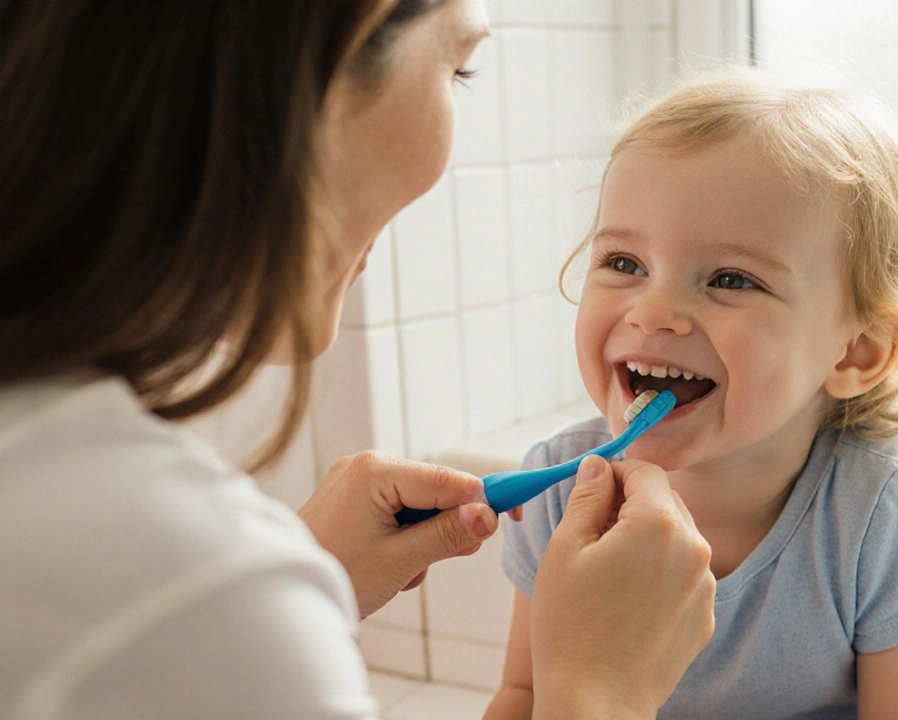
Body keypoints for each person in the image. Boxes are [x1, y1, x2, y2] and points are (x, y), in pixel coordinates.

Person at [0, 1, 715, 719]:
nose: (654, 313)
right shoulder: (188, 597)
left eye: (730, 279)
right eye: (458, 68)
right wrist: (600, 694)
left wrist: (301, 575)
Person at [486, 72, 898, 720]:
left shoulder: (886, 511)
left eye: (730, 279)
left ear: (854, 352)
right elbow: (527, 697)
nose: (654, 310)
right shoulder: (560, 495)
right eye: (624, 263)